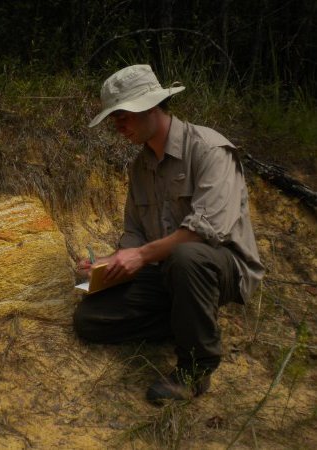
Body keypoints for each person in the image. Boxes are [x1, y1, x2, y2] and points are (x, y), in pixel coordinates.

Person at [73, 64, 264, 403]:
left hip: (221, 268)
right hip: (167, 270)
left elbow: (204, 234)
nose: (118, 126)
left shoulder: (209, 149)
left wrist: (141, 256)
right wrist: (104, 266)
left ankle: (195, 369)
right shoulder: (140, 167)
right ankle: (186, 320)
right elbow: (134, 233)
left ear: (149, 107)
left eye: (122, 116)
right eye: (114, 119)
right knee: (89, 320)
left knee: (185, 256)